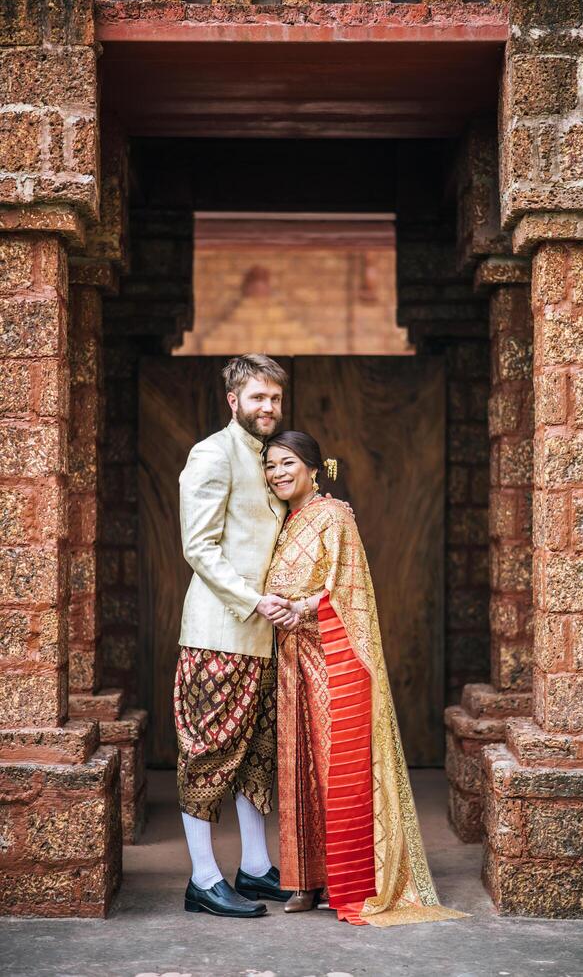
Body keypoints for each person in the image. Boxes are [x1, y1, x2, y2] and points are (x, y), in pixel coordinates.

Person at [264, 431, 467, 926]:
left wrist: (300, 607)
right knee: (299, 770)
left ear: (314, 467)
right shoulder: (287, 522)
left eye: (288, 463)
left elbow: (349, 590)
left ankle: (349, 881)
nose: (278, 473)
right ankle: (304, 881)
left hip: (334, 655)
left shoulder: (334, 517)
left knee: (339, 768)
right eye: (270, 466)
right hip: (293, 659)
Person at [174, 353, 298, 919]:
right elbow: (198, 547)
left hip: (266, 637)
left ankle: (253, 869)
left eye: (275, 398)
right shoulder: (212, 454)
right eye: (258, 398)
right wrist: (253, 600)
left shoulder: (271, 459)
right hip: (218, 633)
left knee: (254, 757)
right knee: (207, 753)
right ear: (234, 401)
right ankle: (202, 879)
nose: (268, 407)